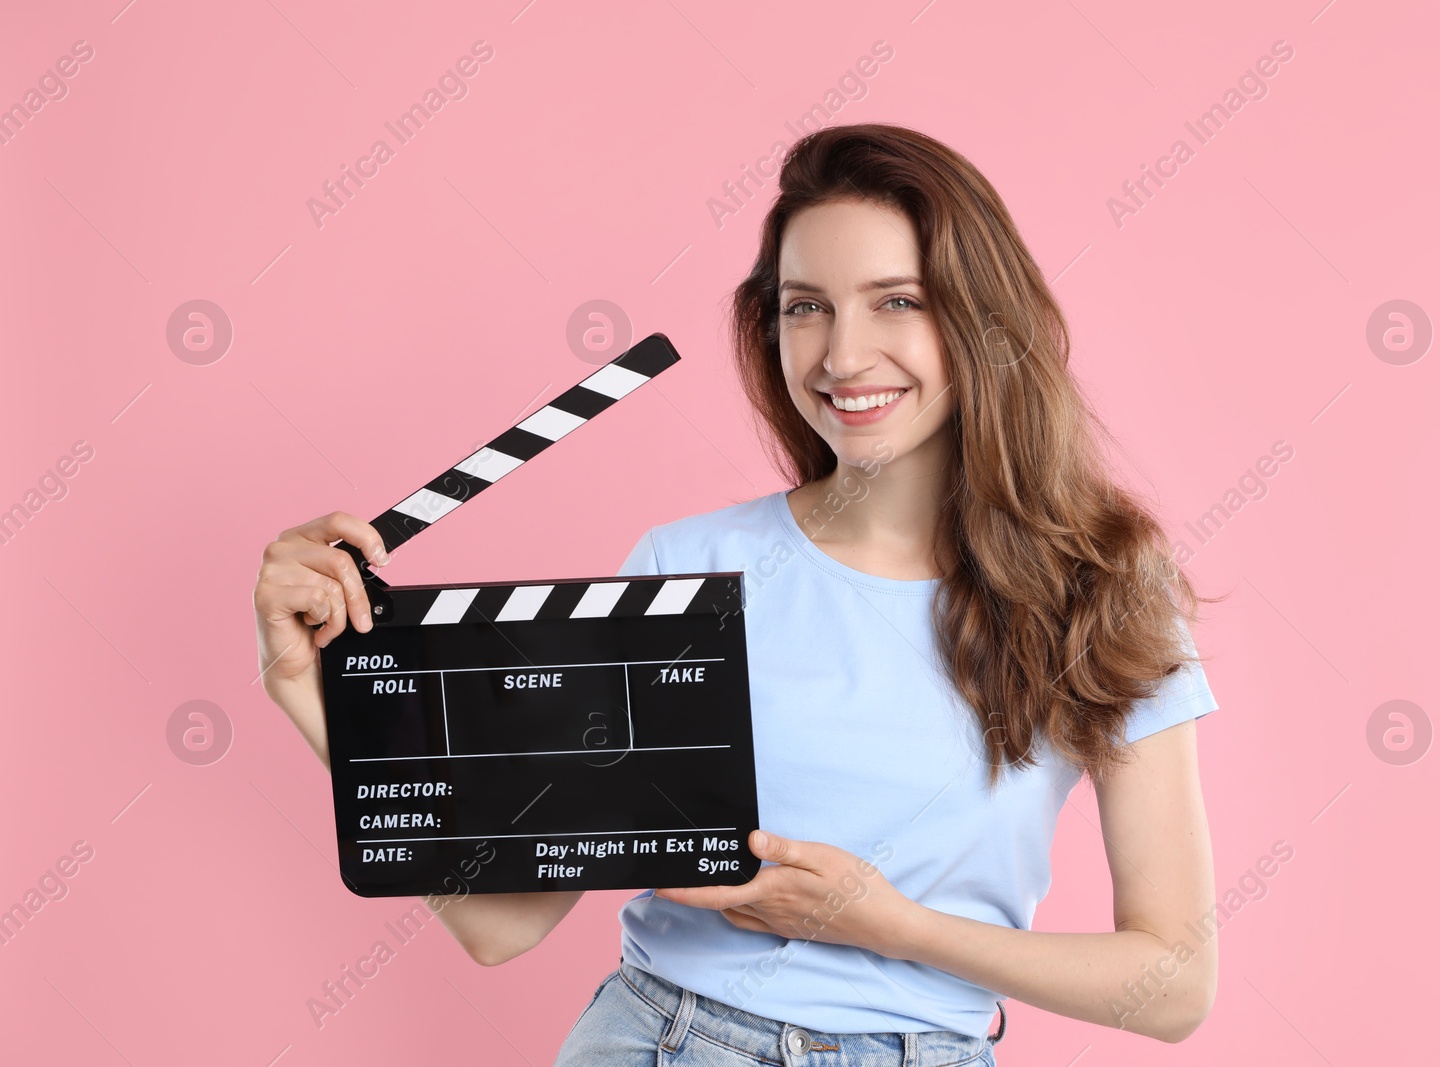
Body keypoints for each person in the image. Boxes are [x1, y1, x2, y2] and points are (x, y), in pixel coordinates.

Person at [253, 123, 1223, 1065]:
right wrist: (309, 684)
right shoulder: (688, 567)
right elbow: (501, 921)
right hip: (663, 1038)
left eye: (896, 301)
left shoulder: (1100, 589)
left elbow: (1172, 982)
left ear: (980, 319)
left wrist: (888, 924)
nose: (841, 356)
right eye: (806, 305)